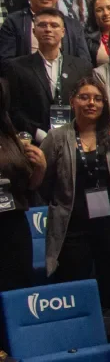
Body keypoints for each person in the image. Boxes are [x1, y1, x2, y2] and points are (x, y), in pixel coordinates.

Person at [39, 76, 110, 316]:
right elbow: (44, 180)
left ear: (104, 104)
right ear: (73, 101)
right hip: (73, 226)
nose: (90, 103)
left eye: (97, 98)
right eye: (84, 97)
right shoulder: (57, 137)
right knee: (74, 283)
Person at [4, 8, 94, 143]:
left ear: (63, 32)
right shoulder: (16, 67)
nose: (48, 29)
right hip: (33, 142)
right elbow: (14, 110)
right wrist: (38, 134)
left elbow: (88, 105)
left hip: (75, 140)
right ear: (34, 32)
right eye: (42, 25)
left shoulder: (82, 67)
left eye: (54, 25)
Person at [0, 78, 46, 292]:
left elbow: (29, 187)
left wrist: (40, 167)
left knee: (18, 286)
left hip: (14, 222)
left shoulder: (10, 135)